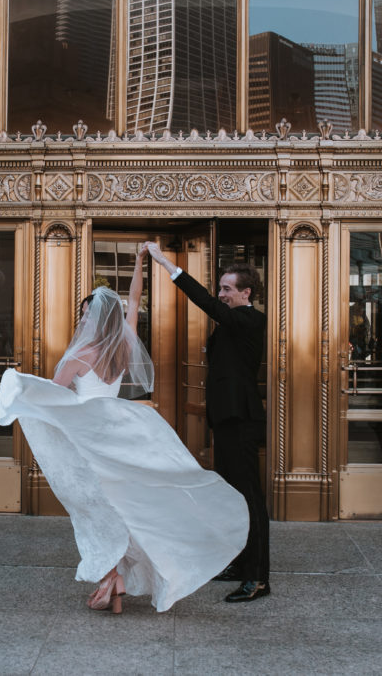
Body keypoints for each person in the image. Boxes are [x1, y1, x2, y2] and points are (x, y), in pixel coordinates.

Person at [0, 246, 248, 613]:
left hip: (91, 437)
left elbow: (53, 392)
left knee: (100, 508)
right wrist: (139, 265)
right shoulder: (123, 345)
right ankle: (113, 581)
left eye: (85, 315)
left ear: (95, 318)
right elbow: (133, 301)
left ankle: (111, 578)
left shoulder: (80, 356)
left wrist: (19, 388)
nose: (82, 321)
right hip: (118, 428)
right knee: (120, 505)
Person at [144, 241, 270, 603]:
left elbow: (209, 305)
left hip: (242, 420)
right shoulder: (233, 322)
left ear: (246, 293)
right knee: (234, 497)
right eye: (221, 288)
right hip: (227, 418)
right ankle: (241, 563)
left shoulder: (250, 318)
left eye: (228, 289)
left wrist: (167, 265)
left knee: (250, 498)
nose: (222, 294)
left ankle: (258, 578)